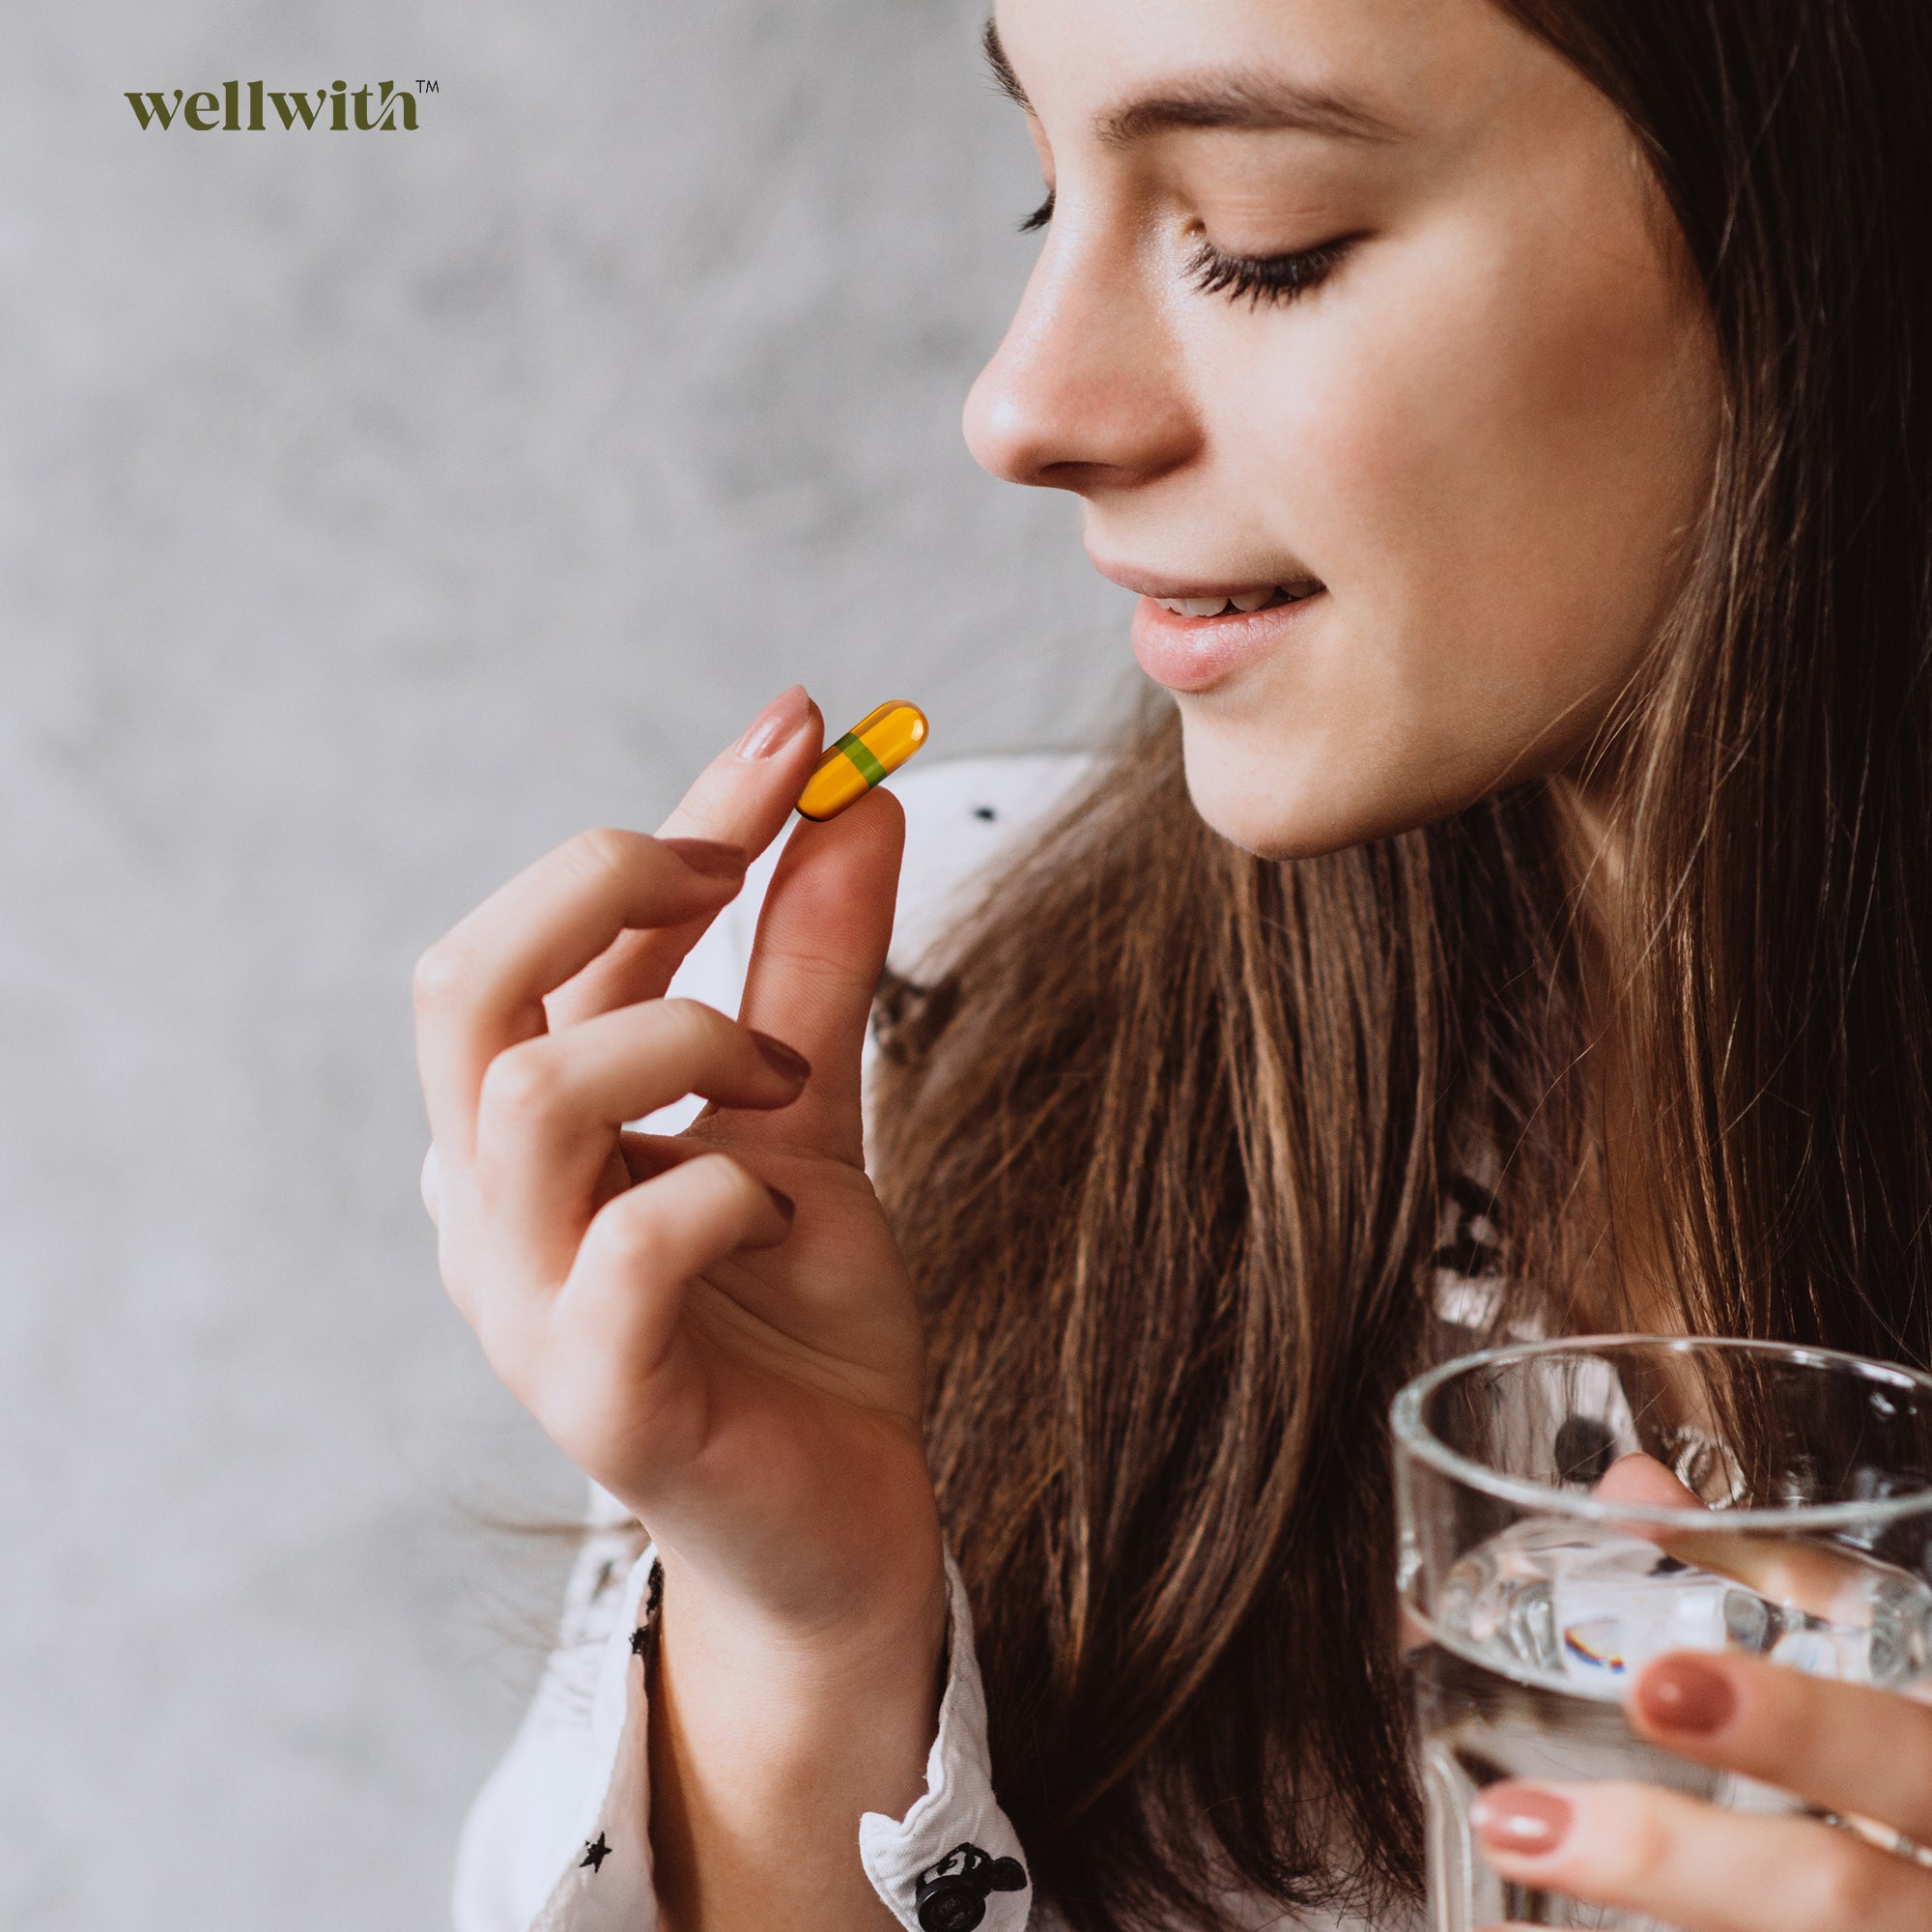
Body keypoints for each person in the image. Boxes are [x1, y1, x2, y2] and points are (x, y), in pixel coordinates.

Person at [416, 0, 1932, 1925]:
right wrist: (800, 1632)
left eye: (1256, 233)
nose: (1021, 409)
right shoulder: (931, 1025)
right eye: (1041, 199)